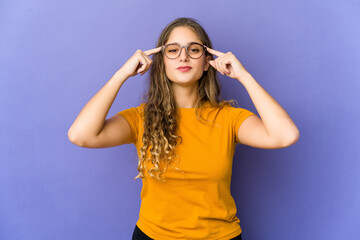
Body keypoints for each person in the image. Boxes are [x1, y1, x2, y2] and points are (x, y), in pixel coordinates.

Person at [68, 17, 299, 240]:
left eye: (194, 50)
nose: (184, 57)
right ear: (162, 60)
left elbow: (285, 135)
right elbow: (80, 135)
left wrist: (244, 76)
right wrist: (121, 75)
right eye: (173, 50)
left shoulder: (229, 118)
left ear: (207, 60)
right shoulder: (141, 118)